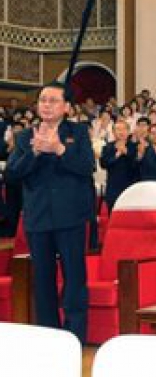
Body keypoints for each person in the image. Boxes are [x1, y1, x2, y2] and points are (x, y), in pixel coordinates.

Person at [6, 82, 95, 343]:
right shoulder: (26, 136)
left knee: (74, 279)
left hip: (71, 216)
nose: (46, 105)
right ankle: (51, 340)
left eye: (53, 100)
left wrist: (59, 149)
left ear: (66, 107)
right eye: (43, 100)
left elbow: (87, 167)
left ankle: (75, 337)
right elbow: (12, 174)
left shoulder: (78, 132)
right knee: (43, 281)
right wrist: (33, 152)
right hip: (38, 217)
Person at [99, 119, 138, 212]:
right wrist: (117, 154)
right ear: (113, 132)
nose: (121, 132)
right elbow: (103, 164)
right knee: (113, 216)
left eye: (124, 129)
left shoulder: (135, 146)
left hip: (131, 188)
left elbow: (137, 165)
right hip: (113, 188)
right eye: (118, 129)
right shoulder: (107, 147)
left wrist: (126, 152)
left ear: (128, 131)